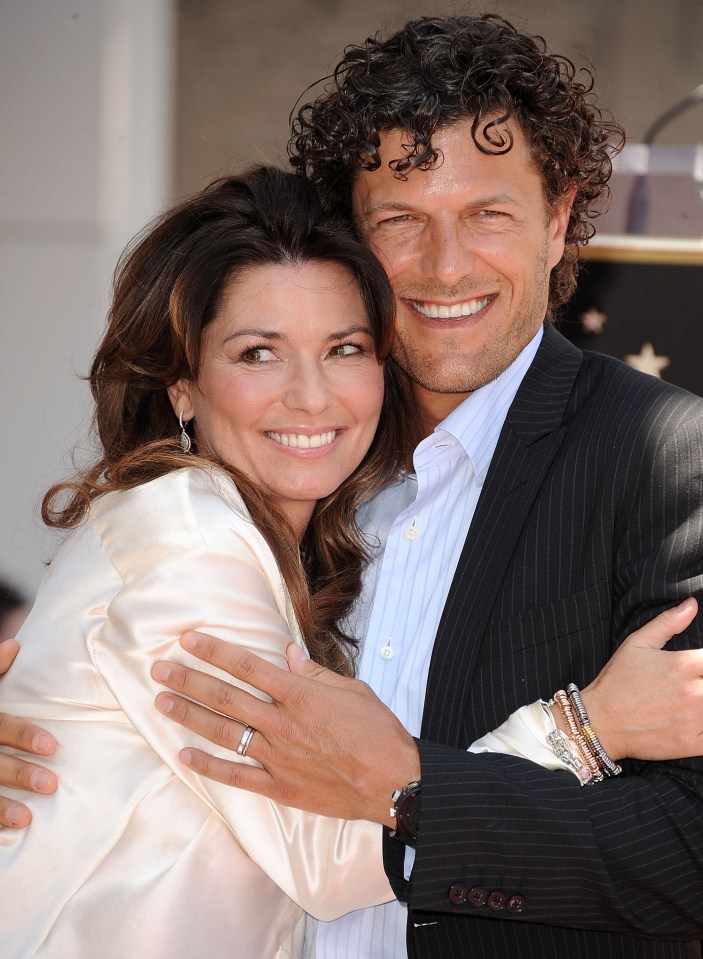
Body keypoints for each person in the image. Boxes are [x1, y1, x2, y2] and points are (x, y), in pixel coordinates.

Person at [143, 15, 703, 959]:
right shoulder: (294, 450)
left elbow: (686, 849)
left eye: (487, 213)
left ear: (557, 218)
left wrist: (410, 790)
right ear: (350, 239)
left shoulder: (667, 460)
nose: (445, 267)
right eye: (401, 220)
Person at [0, 164, 410, 958]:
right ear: (183, 386)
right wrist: (583, 729)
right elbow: (327, 855)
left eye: (344, 349)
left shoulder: (244, 535)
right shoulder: (187, 538)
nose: (312, 395)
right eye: (258, 353)